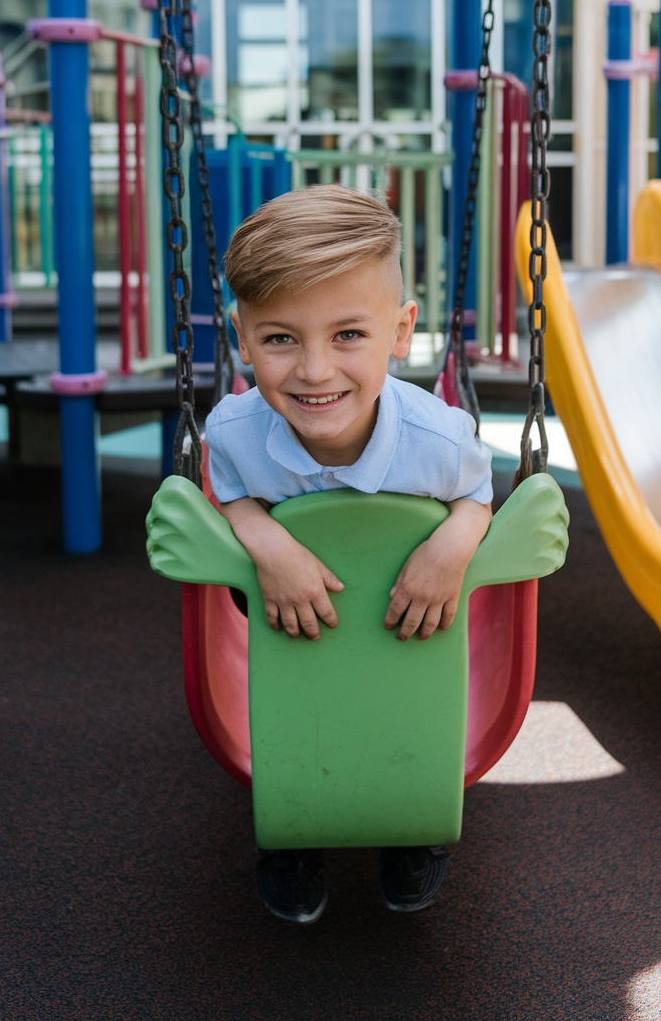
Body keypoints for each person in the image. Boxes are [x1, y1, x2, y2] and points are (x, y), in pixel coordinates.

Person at [205, 185, 493, 924]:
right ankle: (292, 843)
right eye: (279, 339)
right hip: (295, 627)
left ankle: (415, 835)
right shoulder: (234, 431)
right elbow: (230, 492)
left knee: (403, 699)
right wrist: (267, 543)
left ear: (400, 334)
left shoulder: (436, 440)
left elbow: (478, 495)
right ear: (242, 339)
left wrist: (453, 545)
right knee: (299, 701)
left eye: (348, 336)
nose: (314, 371)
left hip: (407, 624)